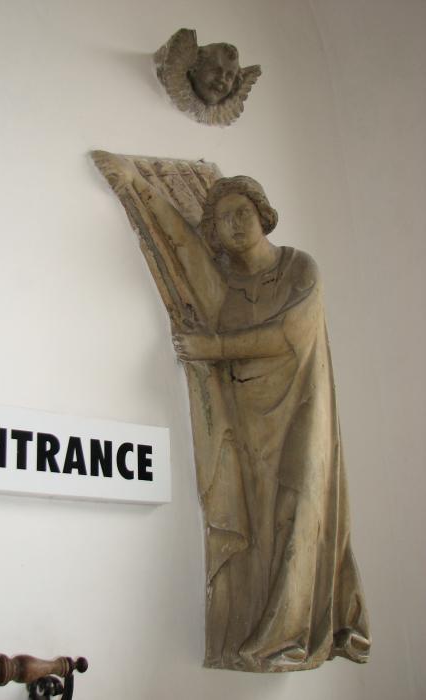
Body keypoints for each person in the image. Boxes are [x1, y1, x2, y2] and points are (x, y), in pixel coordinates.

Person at [93, 151, 371, 672]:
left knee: (302, 510)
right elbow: (179, 239)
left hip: (304, 411)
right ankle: (261, 626)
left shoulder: (299, 268)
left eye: (243, 212)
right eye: (223, 219)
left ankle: (289, 636)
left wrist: (214, 347)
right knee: (263, 525)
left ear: (263, 214)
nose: (235, 224)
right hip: (249, 420)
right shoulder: (224, 288)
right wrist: (135, 184)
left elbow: (290, 334)